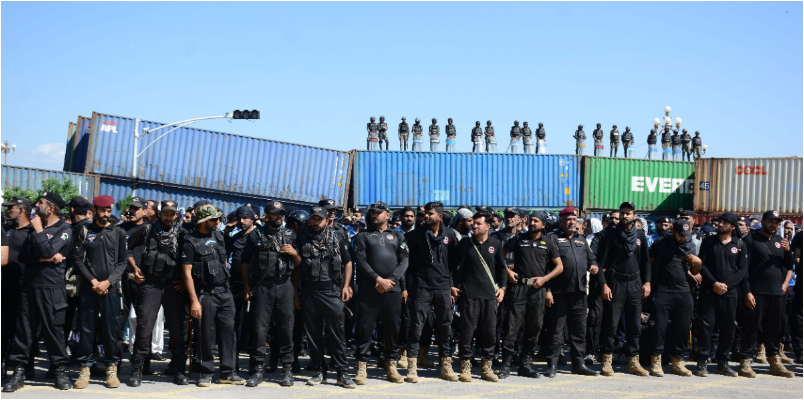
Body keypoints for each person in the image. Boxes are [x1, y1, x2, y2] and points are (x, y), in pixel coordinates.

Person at [3, 192, 73, 393]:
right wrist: (44, 259)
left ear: (50, 208)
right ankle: (19, 372)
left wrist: (40, 233)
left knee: (54, 331)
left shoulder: (64, 229)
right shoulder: (35, 229)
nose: (36, 204)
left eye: (40, 203)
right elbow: (25, 256)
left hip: (51, 288)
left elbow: (48, 251)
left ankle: (59, 371)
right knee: (24, 331)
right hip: (30, 286)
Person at [125, 200, 191, 386]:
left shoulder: (183, 234)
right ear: (160, 213)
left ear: (176, 214)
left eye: (172, 214)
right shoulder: (146, 230)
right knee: (144, 328)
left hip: (173, 287)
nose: (169, 217)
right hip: (150, 284)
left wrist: (184, 281)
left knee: (177, 331)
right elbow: (126, 248)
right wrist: (135, 268)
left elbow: (193, 258)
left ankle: (179, 370)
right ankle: (137, 370)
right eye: (165, 213)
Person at [181, 204, 245, 386]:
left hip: (224, 292)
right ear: (203, 221)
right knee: (205, 336)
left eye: (218, 219)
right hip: (205, 294)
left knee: (228, 334)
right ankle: (206, 372)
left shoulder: (218, 236)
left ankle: (228, 372)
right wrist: (194, 301)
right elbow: (187, 274)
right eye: (214, 219)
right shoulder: (190, 241)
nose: (218, 222)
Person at [292, 206, 356, 388]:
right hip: (310, 292)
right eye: (313, 219)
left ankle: (343, 373)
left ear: (326, 220)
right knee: (314, 335)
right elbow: (297, 268)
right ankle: (319, 371)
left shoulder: (338, 237)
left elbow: (348, 262)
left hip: (331, 291)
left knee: (337, 334)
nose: (316, 222)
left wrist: (346, 286)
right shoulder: (302, 239)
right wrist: (296, 292)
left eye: (319, 219)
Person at [69, 195, 127, 389]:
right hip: (89, 288)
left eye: (109, 211)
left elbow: (122, 263)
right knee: (87, 329)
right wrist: (94, 281)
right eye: (103, 211)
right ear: (94, 211)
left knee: (111, 330)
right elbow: (78, 260)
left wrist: (108, 282)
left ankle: (111, 368)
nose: (106, 214)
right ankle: (84, 368)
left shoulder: (118, 233)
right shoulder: (84, 231)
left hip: (110, 290)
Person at [498, 211, 563, 379]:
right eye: (531, 220)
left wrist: (544, 280)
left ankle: (524, 364)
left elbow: (559, 267)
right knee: (512, 327)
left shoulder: (548, 243)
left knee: (534, 327)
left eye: (536, 221)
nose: (532, 223)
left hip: (537, 290)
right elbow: (499, 256)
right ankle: (505, 364)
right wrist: (507, 272)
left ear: (543, 224)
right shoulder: (519, 238)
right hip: (519, 288)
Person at [239, 201, 298, 387]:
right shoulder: (255, 235)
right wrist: (247, 286)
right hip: (262, 287)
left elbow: (298, 265)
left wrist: (294, 253)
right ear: (266, 214)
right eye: (275, 213)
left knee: (286, 329)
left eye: (281, 213)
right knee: (259, 330)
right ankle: (258, 370)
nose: (279, 216)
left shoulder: (290, 235)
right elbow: (245, 262)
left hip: (284, 286)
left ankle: (287, 369)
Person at [352, 201, 409, 384]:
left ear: (387, 214)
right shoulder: (363, 236)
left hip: (392, 288)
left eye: (378, 212)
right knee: (364, 327)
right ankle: (362, 366)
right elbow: (360, 261)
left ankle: (391, 365)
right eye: (372, 212)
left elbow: (404, 260)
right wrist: (378, 280)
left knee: (392, 327)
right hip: (370, 288)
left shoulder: (398, 236)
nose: (375, 215)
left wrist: (391, 281)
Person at [404, 201, 459, 383]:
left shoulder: (450, 235)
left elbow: (453, 264)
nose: (426, 216)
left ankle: (446, 365)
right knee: (415, 326)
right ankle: (412, 367)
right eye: (425, 213)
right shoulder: (414, 236)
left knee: (445, 326)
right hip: (421, 287)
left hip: (443, 287)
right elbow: (407, 265)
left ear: (440, 217)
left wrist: (451, 285)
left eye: (430, 213)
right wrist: (409, 287)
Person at [596, 202, 651, 377]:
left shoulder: (640, 235)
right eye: (623, 213)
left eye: (628, 213)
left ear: (635, 216)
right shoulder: (610, 235)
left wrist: (647, 282)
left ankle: (633, 361)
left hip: (635, 284)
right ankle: (606, 360)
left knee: (635, 324)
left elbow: (646, 263)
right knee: (611, 323)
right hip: (616, 283)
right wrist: (604, 284)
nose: (625, 216)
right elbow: (601, 263)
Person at [543, 208, 599, 377]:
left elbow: (592, 259)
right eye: (568, 219)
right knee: (555, 330)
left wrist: (594, 266)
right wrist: (548, 290)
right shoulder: (552, 239)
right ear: (561, 221)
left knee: (579, 330)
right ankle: (552, 365)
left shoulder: (581, 240)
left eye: (574, 219)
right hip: (559, 292)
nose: (572, 222)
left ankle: (578, 364)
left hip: (579, 292)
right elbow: (545, 266)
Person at [738, 210, 795, 378]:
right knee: (752, 326)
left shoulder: (780, 241)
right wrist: (747, 292)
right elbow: (743, 269)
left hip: (777, 293)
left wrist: (787, 252)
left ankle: (774, 361)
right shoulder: (750, 239)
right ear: (763, 222)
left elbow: (790, 266)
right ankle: (745, 361)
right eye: (771, 221)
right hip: (757, 292)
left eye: (777, 222)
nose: (774, 225)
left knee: (774, 328)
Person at [451, 211, 506, 382]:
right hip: (469, 295)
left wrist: (503, 288)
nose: (474, 226)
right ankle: (465, 367)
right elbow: (452, 266)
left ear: (488, 226)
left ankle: (486, 368)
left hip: (490, 296)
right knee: (467, 332)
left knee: (490, 333)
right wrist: (452, 286)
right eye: (473, 223)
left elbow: (502, 269)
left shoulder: (495, 244)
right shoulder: (465, 243)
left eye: (478, 224)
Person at [647, 219, 702, 377]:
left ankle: (678, 361)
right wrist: (650, 283)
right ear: (673, 231)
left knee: (683, 328)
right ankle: (656, 361)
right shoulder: (660, 243)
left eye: (686, 235)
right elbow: (649, 263)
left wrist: (698, 263)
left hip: (684, 292)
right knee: (659, 328)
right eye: (680, 235)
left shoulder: (689, 245)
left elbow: (695, 270)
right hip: (663, 291)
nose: (683, 238)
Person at [696, 213, 746, 377]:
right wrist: (714, 284)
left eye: (725, 222)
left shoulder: (739, 244)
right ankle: (702, 361)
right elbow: (702, 264)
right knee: (706, 326)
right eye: (720, 222)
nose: (721, 224)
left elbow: (742, 270)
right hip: (709, 291)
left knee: (727, 327)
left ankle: (723, 362)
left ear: (732, 226)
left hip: (729, 293)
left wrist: (727, 285)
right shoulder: (709, 241)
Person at [1, 197, 33, 378]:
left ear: (21, 210)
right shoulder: (6, 230)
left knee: (25, 328)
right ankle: (3, 363)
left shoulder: (32, 232)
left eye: (10, 207)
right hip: (6, 285)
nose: (7, 210)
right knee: (4, 326)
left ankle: (26, 365)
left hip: (26, 286)